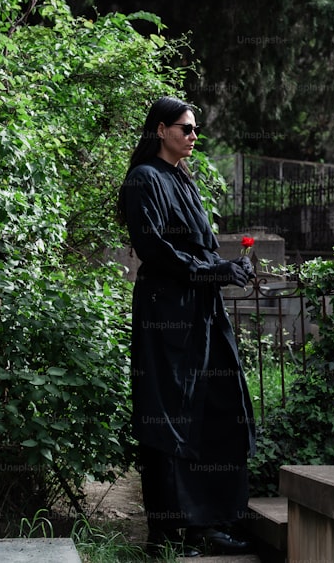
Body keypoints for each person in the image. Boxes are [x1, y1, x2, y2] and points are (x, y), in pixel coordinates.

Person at [118, 96, 256, 558]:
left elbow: (200, 248)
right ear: (160, 130)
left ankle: (210, 524)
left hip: (202, 310)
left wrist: (229, 268)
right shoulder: (144, 180)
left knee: (217, 406)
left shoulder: (183, 179)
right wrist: (213, 272)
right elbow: (153, 248)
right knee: (169, 415)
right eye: (186, 128)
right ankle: (170, 532)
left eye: (195, 129)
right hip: (167, 314)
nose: (193, 137)